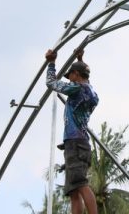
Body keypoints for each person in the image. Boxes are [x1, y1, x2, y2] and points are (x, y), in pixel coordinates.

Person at [45, 48, 99, 214]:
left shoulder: (76, 89)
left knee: (80, 184)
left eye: (71, 76)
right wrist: (81, 59)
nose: (70, 79)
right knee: (73, 189)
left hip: (75, 143)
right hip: (79, 143)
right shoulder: (92, 92)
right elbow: (85, 77)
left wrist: (51, 63)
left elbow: (51, 83)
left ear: (76, 74)